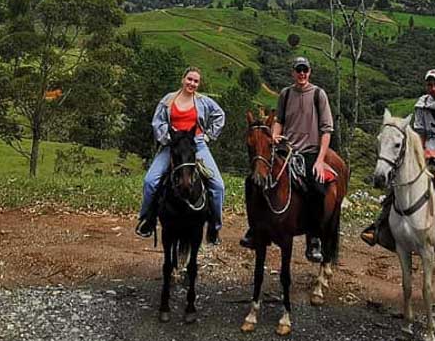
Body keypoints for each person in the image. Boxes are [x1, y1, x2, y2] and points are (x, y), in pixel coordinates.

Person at [362, 68, 435, 275]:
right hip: (425, 154)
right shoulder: (422, 104)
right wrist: (421, 152)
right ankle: (379, 228)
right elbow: (420, 133)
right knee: (398, 185)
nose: (432, 88)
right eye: (429, 85)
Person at [240, 55, 334, 262]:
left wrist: (319, 160)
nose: (302, 74)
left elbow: (326, 130)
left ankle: (314, 238)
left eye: (305, 70)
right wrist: (274, 136)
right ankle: (255, 229)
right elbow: (279, 121)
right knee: (254, 180)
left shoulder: (319, 94)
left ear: (309, 72)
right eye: (298, 70)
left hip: (309, 151)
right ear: (292, 72)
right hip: (285, 148)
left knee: (316, 189)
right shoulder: (285, 94)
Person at [135, 66, 225, 243]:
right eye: (189, 79)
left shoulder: (204, 102)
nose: (192, 83)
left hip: (196, 145)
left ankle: (214, 226)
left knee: (218, 185)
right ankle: (147, 219)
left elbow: (220, 115)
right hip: (172, 146)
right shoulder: (168, 100)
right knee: (150, 181)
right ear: (183, 79)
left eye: (196, 81)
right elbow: (157, 122)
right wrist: (167, 138)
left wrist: (208, 135)